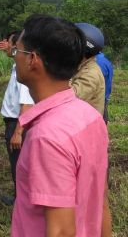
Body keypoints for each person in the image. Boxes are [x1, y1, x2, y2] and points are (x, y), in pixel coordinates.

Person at [11, 15, 108, 237]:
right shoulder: (89, 116)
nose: (14, 57)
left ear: (32, 60)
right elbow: (101, 202)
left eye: (17, 51)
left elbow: (61, 231)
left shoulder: (47, 136)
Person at [72, 22, 112, 237]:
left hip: (87, 140)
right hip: (84, 136)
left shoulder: (91, 73)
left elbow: (68, 94)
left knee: (94, 199)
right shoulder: (83, 67)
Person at [0, 30, 34, 206]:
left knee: (19, 165)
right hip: (14, 123)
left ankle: (23, 204)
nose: (7, 46)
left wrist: (18, 132)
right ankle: (20, 198)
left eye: (10, 44)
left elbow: (27, 104)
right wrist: (9, 50)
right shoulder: (16, 66)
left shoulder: (22, 72)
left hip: (18, 124)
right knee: (16, 164)